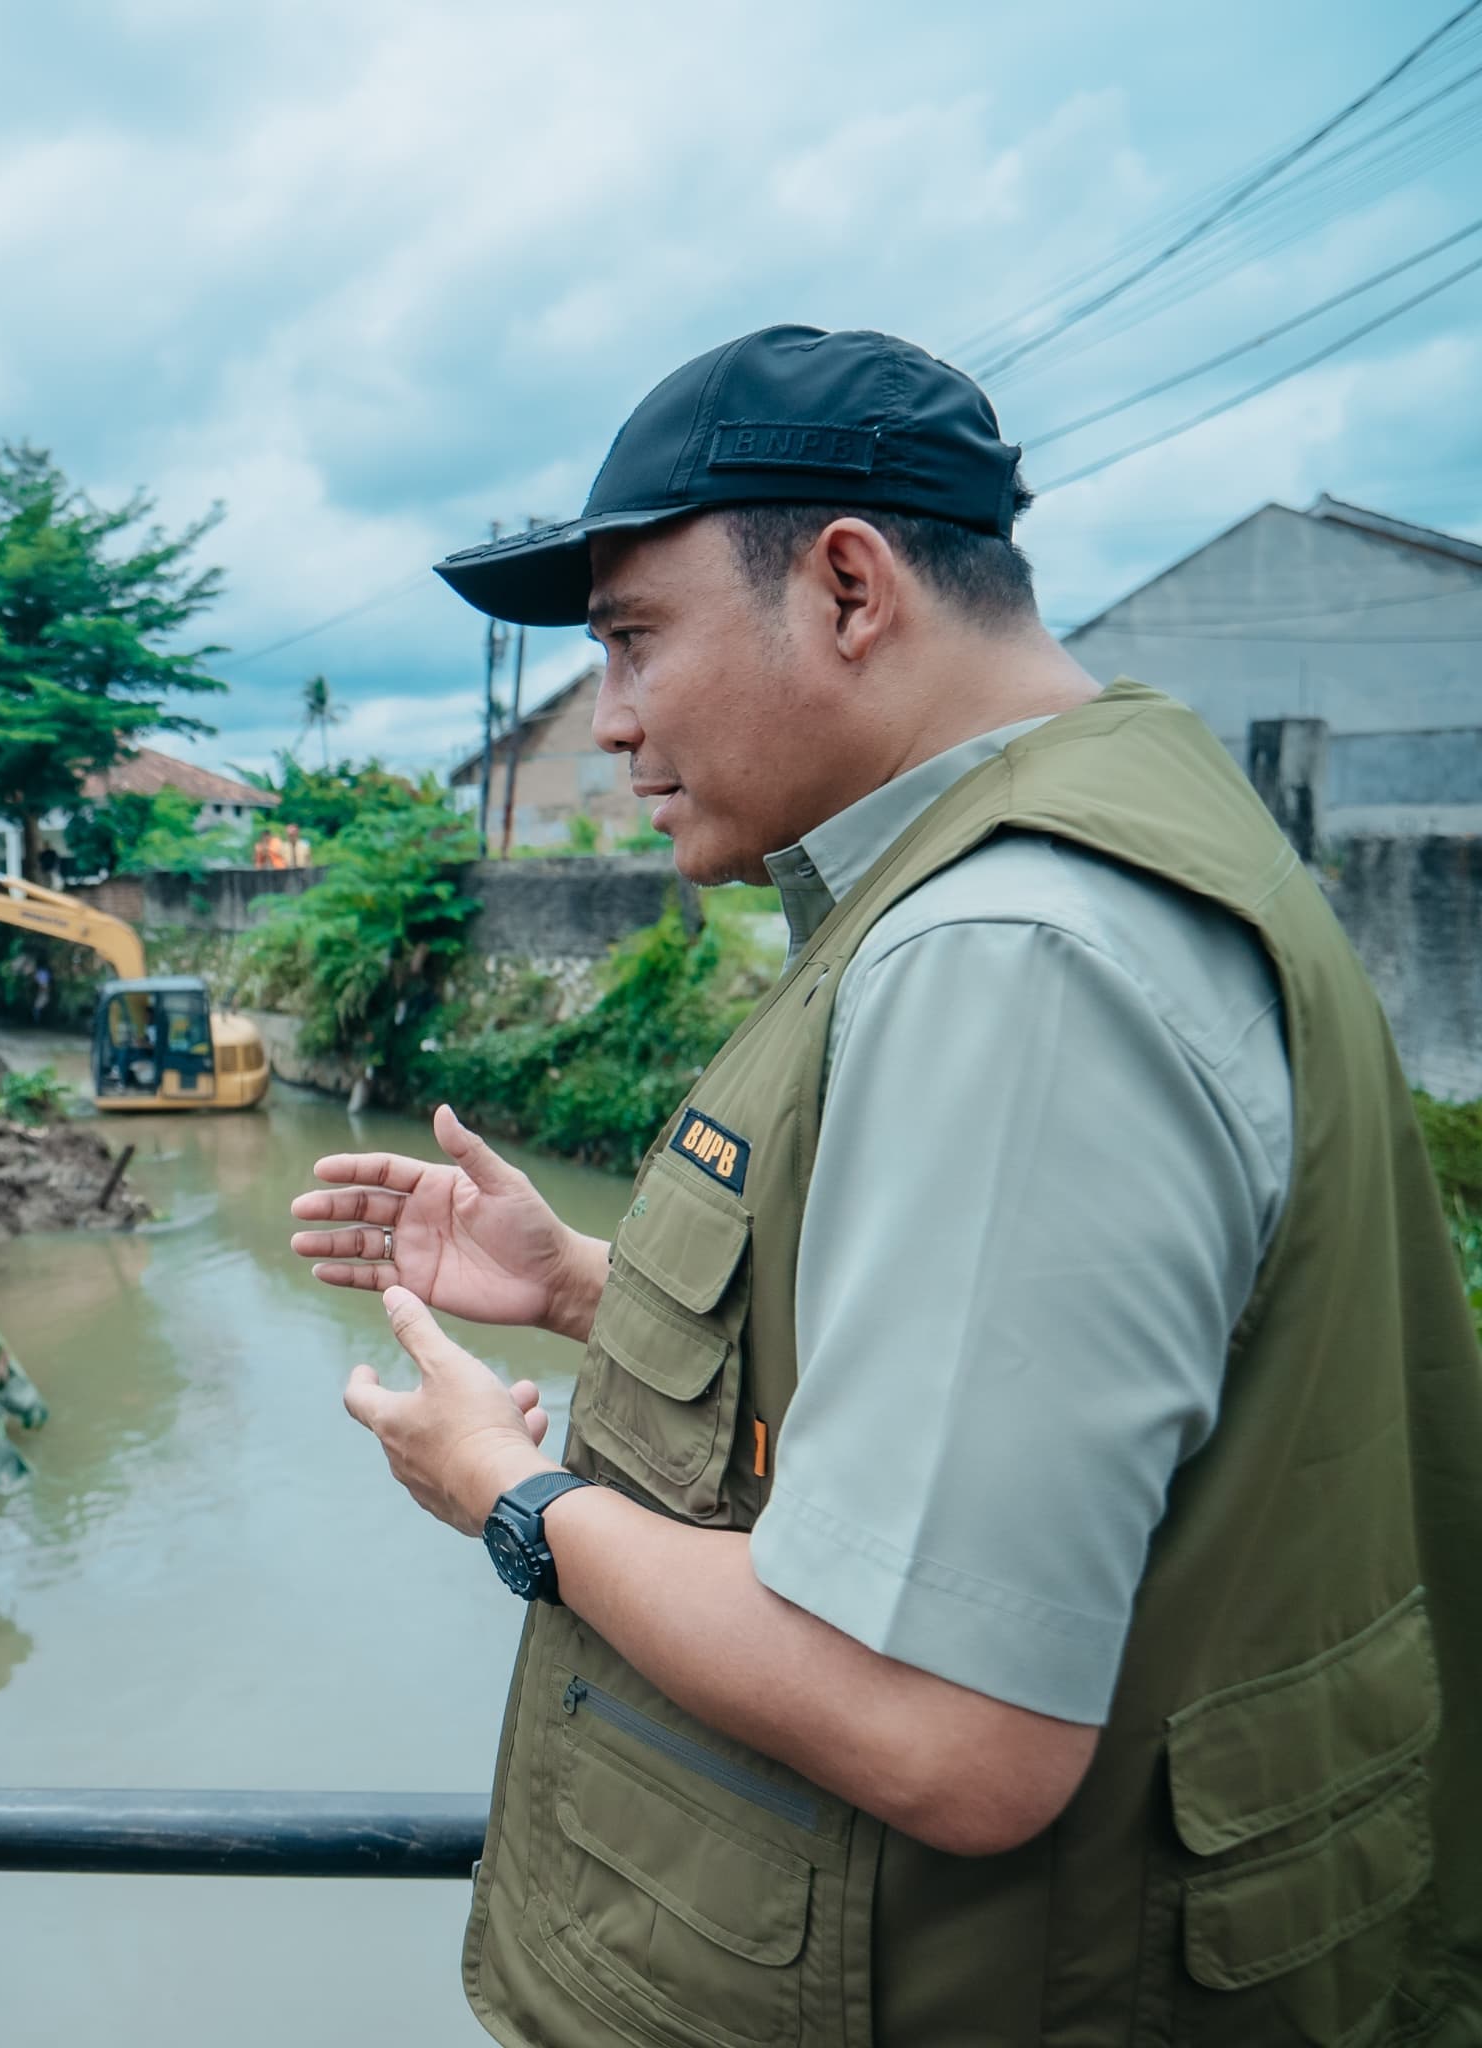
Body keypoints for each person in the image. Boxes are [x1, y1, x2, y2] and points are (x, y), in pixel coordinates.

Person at [293, 326, 1480, 2045]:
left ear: (850, 587)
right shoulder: (1113, 832)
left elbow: (941, 1719)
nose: (611, 721)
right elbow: (995, 1408)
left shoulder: (1009, 953)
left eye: (633, 641)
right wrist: (576, 1284)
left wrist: (507, 1489)